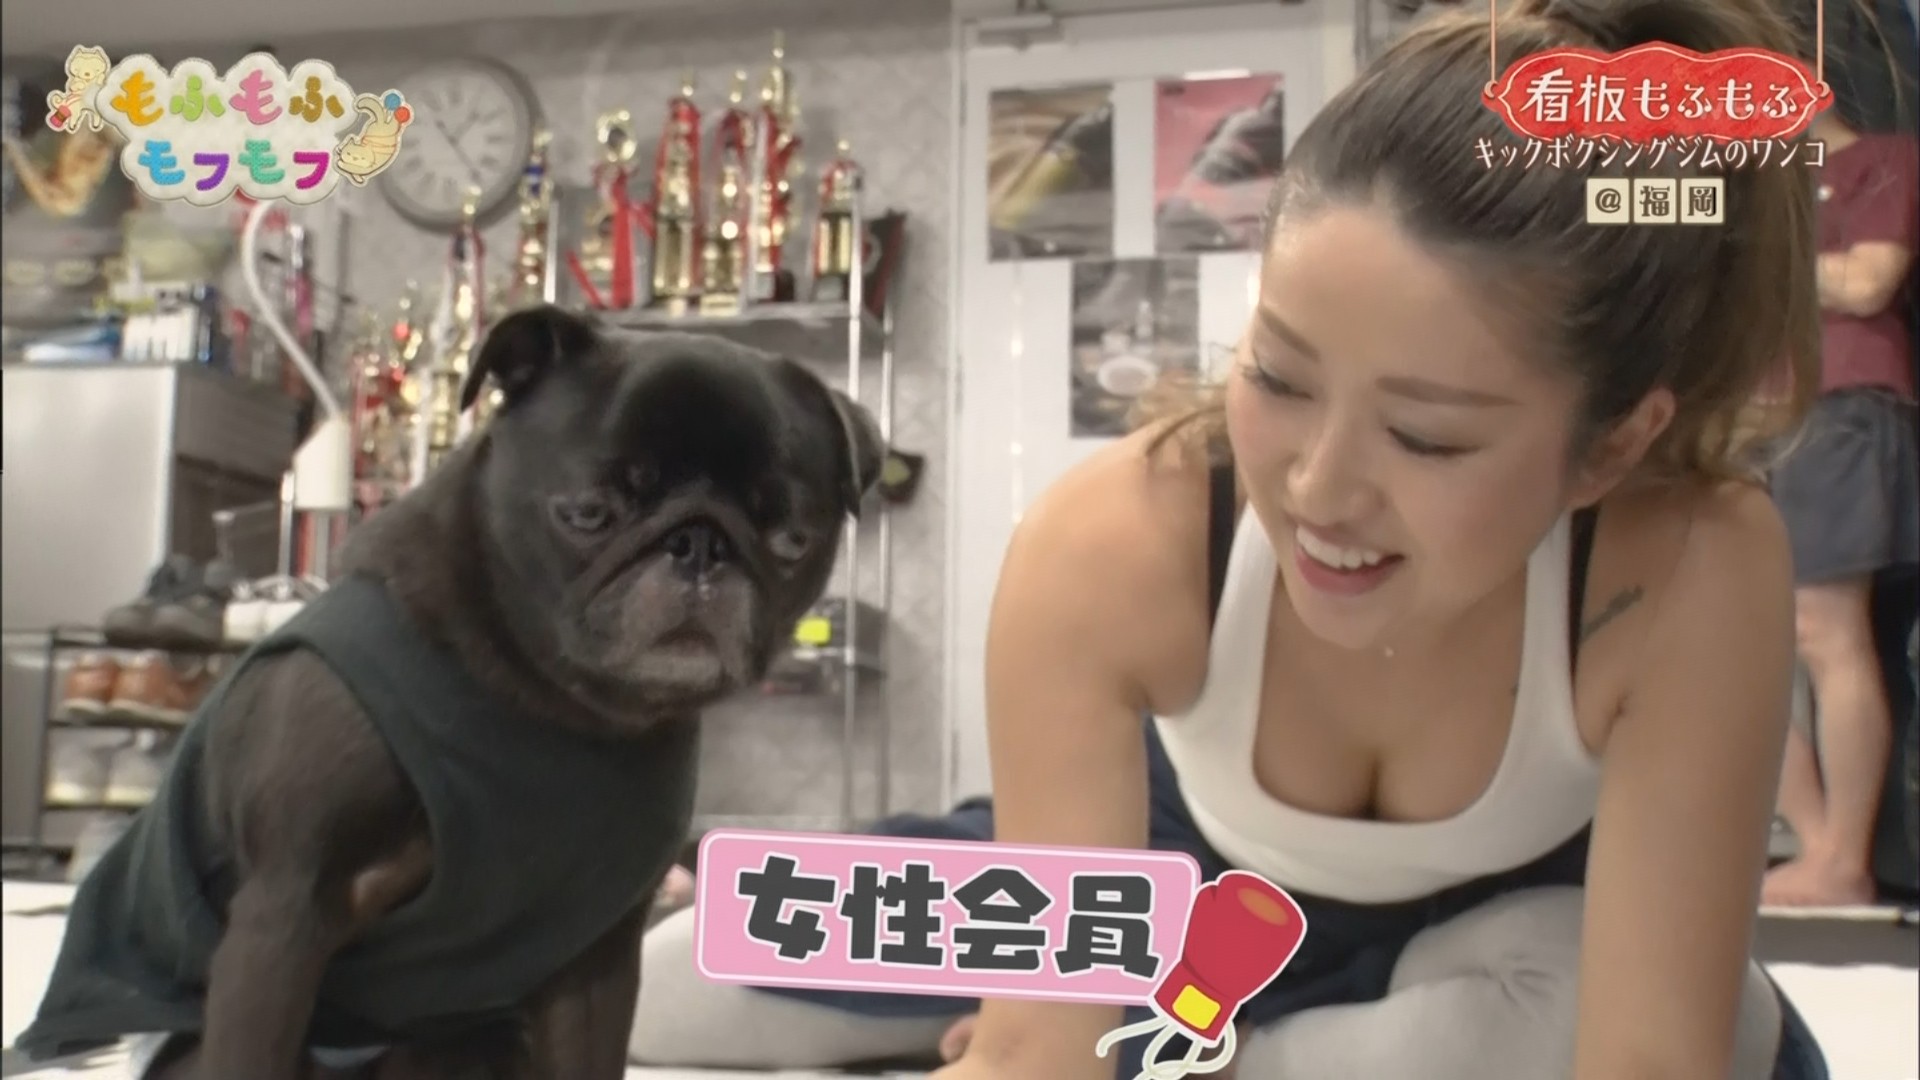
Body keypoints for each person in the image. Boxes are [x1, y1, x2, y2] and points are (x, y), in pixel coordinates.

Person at [631, 0, 1833, 1076]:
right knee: (678, 978)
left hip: (1494, 944)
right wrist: (1035, 1030)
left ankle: (1211, 1054)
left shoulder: (1692, 564)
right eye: (1279, 377)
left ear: (1613, 445)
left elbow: (1651, 1058)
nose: (1318, 488)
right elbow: (1040, 1055)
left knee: (1692, 1023)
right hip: (1171, 892)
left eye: (1425, 438)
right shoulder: (1116, 538)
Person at [1762, 107, 1919, 908]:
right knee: (1755, 641)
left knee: (1825, 629)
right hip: (1753, 417)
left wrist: (1763, 260)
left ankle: (1841, 854)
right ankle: (1822, 846)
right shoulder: (1755, 181)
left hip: (1840, 403)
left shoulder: (1885, 158)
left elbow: (1867, 282)